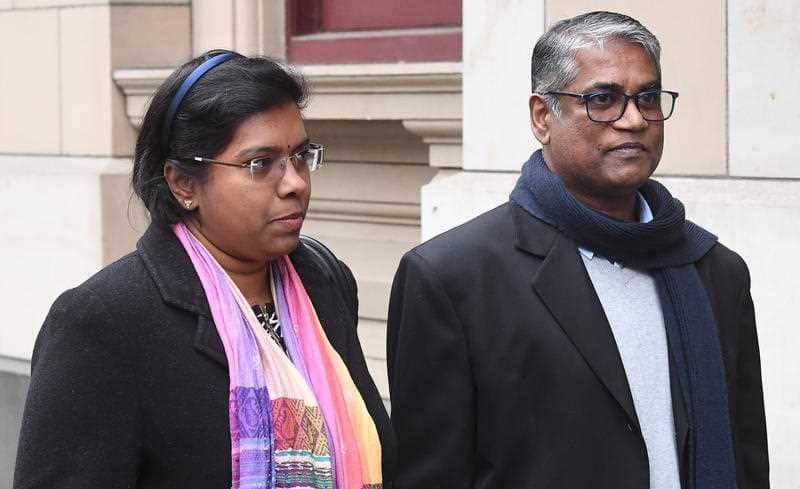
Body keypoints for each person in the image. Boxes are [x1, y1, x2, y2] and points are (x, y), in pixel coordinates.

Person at [387, 11, 768, 489]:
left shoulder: (714, 271)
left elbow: (747, 460)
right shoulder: (453, 278)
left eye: (647, 98)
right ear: (543, 117)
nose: (633, 120)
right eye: (603, 99)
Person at [15, 50, 395, 489]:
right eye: (260, 164)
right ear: (184, 184)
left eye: (300, 155)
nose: (295, 183)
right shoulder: (104, 322)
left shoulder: (323, 282)